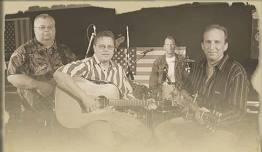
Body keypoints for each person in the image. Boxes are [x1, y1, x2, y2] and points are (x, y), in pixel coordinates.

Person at [154, 24, 249, 152]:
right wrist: (180, 96)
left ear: (225, 46)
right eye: (208, 42)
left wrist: (208, 117)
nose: (212, 47)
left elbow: (238, 113)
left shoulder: (236, 72)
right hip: (196, 122)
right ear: (202, 46)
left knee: (205, 144)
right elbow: (184, 89)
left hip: (224, 128)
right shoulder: (198, 67)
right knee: (162, 130)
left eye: (217, 42)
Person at [53, 30, 152, 151]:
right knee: (108, 143)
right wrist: (84, 98)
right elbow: (58, 75)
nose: (106, 50)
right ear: (94, 48)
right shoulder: (86, 65)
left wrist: (142, 104)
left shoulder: (118, 69)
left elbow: (127, 95)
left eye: (110, 47)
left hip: (110, 115)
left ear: (114, 49)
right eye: (102, 46)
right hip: (88, 117)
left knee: (145, 134)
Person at [6, 13, 76, 145]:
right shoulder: (23, 52)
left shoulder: (65, 50)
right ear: (34, 29)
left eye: (50, 27)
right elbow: (12, 76)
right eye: (42, 27)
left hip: (63, 112)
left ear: (55, 29)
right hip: (34, 116)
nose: (46, 30)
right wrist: (37, 84)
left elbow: (75, 74)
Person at [149, 35, 186, 100]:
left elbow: (186, 79)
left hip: (178, 90)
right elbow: (153, 81)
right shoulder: (158, 61)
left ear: (175, 46)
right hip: (163, 90)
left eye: (172, 44)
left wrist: (182, 92)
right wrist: (155, 95)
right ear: (164, 47)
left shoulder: (181, 61)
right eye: (167, 44)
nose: (170, 47)